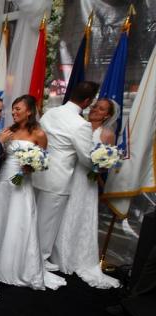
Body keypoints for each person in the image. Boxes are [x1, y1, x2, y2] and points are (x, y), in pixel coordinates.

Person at [0, 95, 66, 290]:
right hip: (4, 181)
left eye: (18, 109)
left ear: (29, 111)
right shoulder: (9, 131)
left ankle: (15, 266)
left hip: (22, 184)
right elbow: (1, 156)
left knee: (19, 222)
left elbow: (43, 162)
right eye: (13, 109)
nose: (13, 112)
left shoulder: (39, 134)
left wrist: (31, 167)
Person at [52, 98, 120, 289]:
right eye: (95, 106)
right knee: (62, 212)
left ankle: (77, 256)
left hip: (87, 180)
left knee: (81, 215)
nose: (95, 109)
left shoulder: (106, 134)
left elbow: (108, 162)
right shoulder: (79, 125)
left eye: (101, 109)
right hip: (68, 174)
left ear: (107, 115)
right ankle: (56, 254)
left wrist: (99, 166)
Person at [33, 81, 100, 271]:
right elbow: (86, 157)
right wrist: (99, 164)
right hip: (59, 178)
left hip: (39, 171)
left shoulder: (51, 113)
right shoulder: (81, 125)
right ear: (87, 101)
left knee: (34, 218)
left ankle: (30, 255)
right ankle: (39, 261)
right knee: (48, 223)